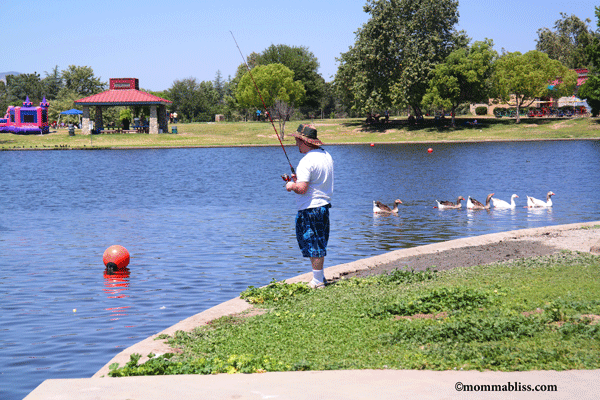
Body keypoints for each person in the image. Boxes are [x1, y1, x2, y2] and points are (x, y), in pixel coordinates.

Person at [286, 124, 334, 289]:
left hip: (310, 208)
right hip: (323, 207)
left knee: (313, 243)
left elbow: (302, 189)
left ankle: (318, 281)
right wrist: (299, 178)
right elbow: (315, 180)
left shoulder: (306, 161)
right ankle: (319, 276)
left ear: (304, 141)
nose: (296, 144)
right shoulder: (326, 155)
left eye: (297, 141)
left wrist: (291, 186)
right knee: (318, 241)